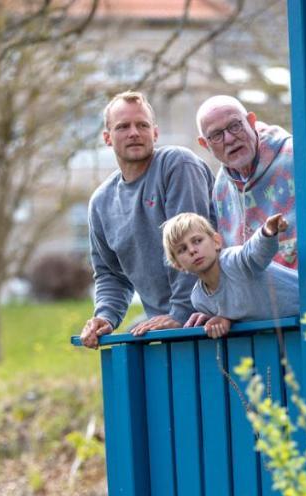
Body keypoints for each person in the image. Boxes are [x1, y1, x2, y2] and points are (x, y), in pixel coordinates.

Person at [192, 95, 306, 319]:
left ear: (251, 121)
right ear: (205, 144)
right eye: (216, 135)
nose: (230, 138)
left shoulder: (297, 154)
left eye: (235, 126)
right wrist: (219, 310)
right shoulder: (221, 188)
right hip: (267, 330)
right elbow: (235, 269)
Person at [79, 91, 216, 349]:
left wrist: (180, 313)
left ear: (155, 133)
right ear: (107, 138)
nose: (134, 132)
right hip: (164, 332)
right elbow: (110, 274)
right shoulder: (101, 202)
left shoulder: (176, 165)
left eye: (142, 125)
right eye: (123, 127)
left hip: (212, 321)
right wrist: (105, 316)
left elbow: (191, 245)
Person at [161, 212, 306, 338]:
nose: (193, 250)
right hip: (298, 330)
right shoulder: (200, 299)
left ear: (216, 241)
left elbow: (253, 253)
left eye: (197, 241)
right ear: (178, 265)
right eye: (182, 249)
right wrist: (226, 319)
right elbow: (240, 307)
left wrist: (267, 232)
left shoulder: (233, 262)